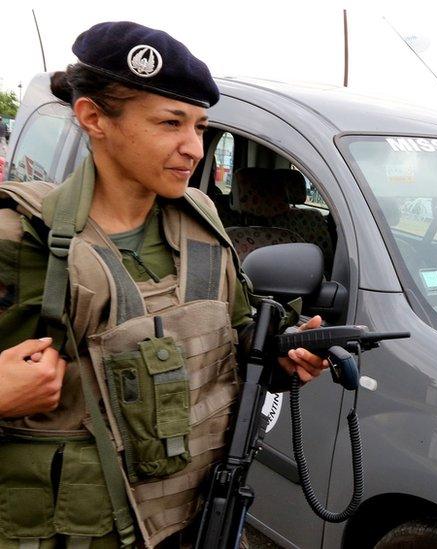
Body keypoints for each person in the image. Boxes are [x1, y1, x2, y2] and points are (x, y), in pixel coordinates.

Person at [0, 22, 328, 547]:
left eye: (199, 126)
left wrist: (284, 357)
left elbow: (235, 333)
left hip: (198, 521)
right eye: (171, 123)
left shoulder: (201, 223)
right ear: (93, 118)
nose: (194, 148)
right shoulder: (19, 238)